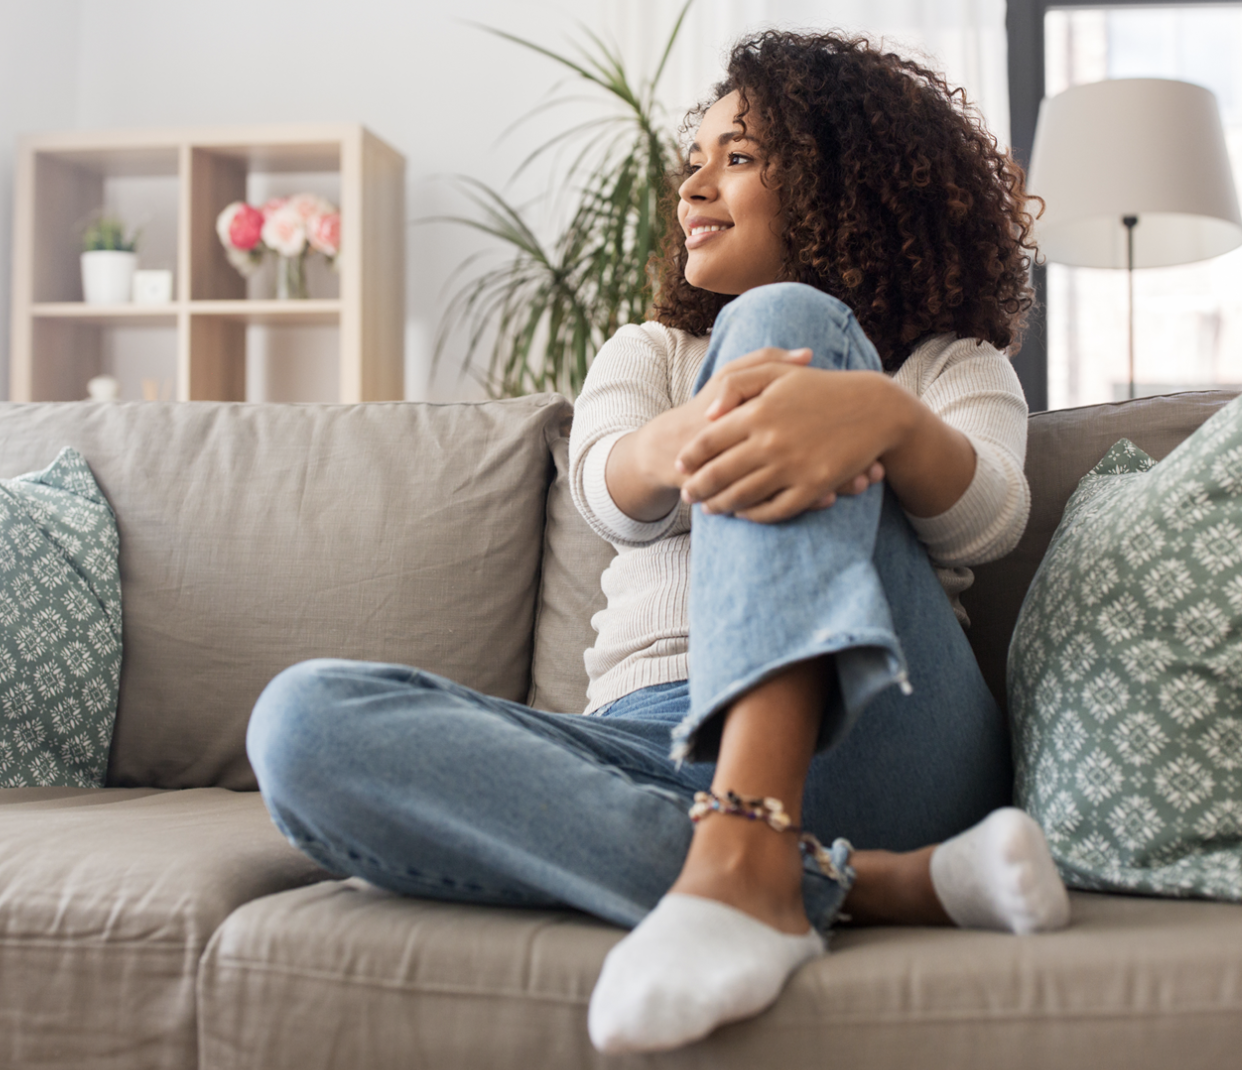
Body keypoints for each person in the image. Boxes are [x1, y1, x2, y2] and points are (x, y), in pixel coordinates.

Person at [246, 29, 1071, 1057]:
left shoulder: (955, 363)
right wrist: (691, 431)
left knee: (786, 320)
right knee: (303, 724)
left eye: (739, 156)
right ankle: (839, 878)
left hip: (879, 731)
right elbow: (606, 488)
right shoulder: (648, 351)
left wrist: (881, 418)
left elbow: (988, 516)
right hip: (653, 745)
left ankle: (752, 850)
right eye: (696, 159)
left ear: (844, 181)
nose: (692, 188)